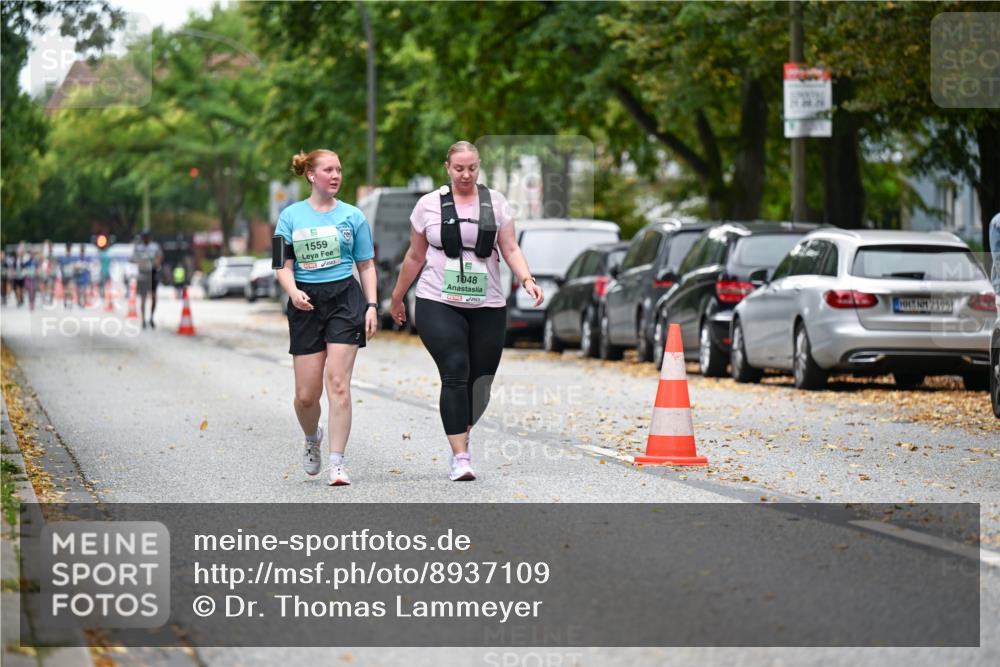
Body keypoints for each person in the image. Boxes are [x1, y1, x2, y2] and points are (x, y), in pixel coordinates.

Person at [389, 141, 544, 481]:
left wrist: (527, 278)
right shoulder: (428, 205)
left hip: (487, 303)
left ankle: (461, 425)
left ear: (478, 166)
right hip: (437, 300)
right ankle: (461, 457)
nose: (465, 174)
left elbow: (511, 248)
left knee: (481, 382)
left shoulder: (496, 203)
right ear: (447, 167)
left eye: (472, 168)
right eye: (459, 168)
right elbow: (415, 257)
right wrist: (398, 297)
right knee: (456, 369)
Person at [275, 149, 378, 486]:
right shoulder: (289, 217)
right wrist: (293, 291)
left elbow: (365, 264)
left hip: (344, 300)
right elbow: (281, 265)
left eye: (339, 169)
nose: (336, 175)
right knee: (306, 396)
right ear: (311, 175)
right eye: (329, 170)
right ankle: (311, 438)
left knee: (338, 384)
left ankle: (337, 463)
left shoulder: (354, 216)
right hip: (305, 301)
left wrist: (372, 305)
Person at [131, 232, 163, 328]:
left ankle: (151, 318)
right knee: (143, 297)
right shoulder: (138, 248)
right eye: (144, 237)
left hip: (152, 272)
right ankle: (143, 319)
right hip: (142, 272)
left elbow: (160, 256)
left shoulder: (155, 247)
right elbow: (133, 258)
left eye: (147, 237)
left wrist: (157, 262)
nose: (146, 239)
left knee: (153, 296)